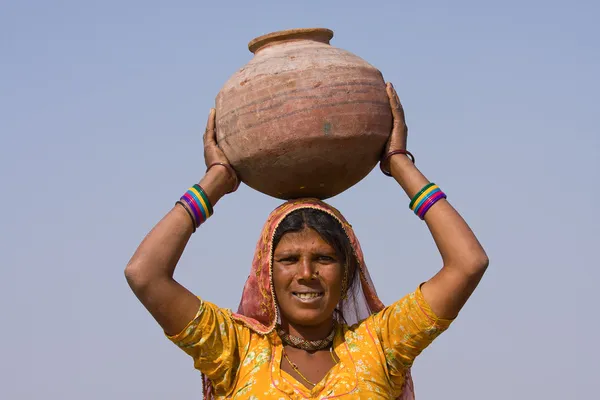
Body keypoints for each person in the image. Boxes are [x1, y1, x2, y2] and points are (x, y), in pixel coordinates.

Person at [125, 83, 489, 399]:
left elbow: (468, 262)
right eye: (288, 259)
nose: (306, 273)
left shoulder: (380, 345)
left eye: (324, 259)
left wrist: (399, 164)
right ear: (266, 272)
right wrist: (217, 180)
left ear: (347, 272)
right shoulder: (234, 350)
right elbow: (145, 274)